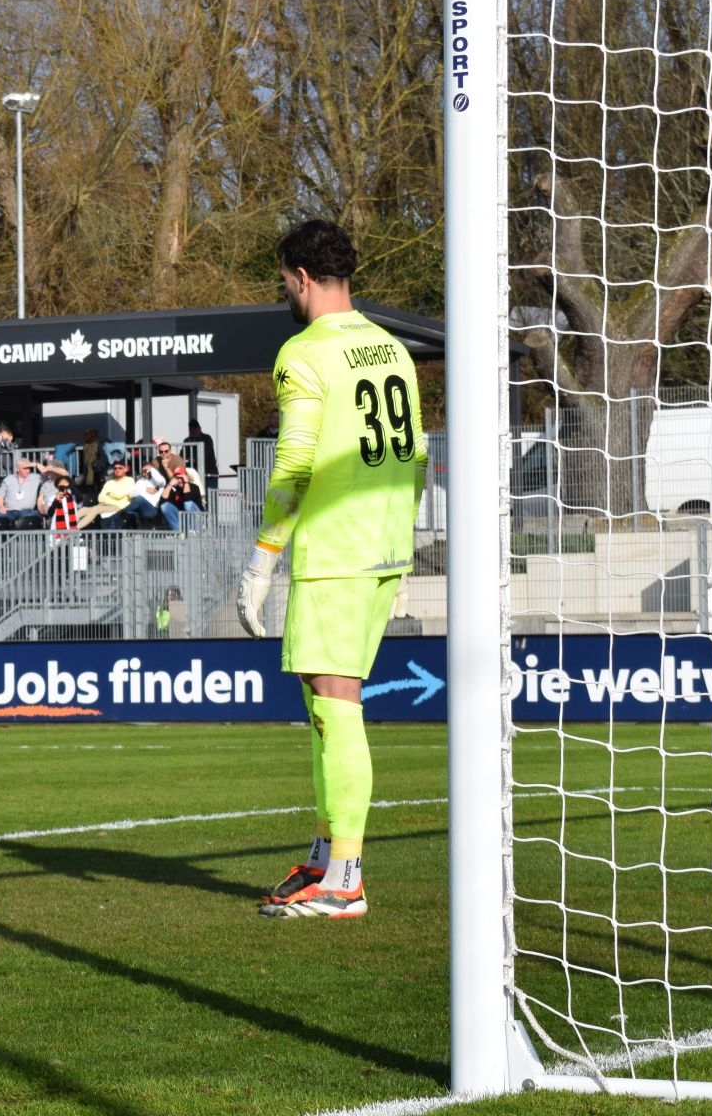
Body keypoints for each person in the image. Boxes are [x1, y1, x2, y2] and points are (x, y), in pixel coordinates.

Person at [238, 219, 427, 921]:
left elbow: (294, 464)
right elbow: (415, 456)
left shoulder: (303, 353)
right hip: (382, 543)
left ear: (302, 276)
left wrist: (262, 559)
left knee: (336, 704)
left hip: (336, 547)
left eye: (284, 280)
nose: (283, 291)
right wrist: (398, 540)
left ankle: (344, 875)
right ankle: (326, 853)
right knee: (327, 703)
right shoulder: (391, 349)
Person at [77, 458, 140, 528]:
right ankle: (68, 527)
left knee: (96, 509)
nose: (117, 470)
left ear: (125, 469)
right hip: (105, 505)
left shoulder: (129, 480)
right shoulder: (109, 482)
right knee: (83, 509)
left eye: (120, 468)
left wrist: (109, 495)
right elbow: (100, 498)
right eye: (115, 468)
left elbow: (119, 495)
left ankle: (75, 529)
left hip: (119, 507)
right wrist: (113, 496)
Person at [158, 454, 204, 532]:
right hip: (182, 518)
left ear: (186, 477)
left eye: (181, 477)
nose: (179, 480)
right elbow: (162, 501)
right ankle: (177, 532)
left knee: (188, 504)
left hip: (197, 519)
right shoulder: (173, 488)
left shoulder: (194, 487)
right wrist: (170, 485)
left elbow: (187, 498)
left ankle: (193, 531)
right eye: (177, 478)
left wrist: (186, 482)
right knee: (164, 506)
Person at [0, 458, 42, 526]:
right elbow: (0, 495)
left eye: (29, 468)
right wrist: (1, 507)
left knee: (34, 516)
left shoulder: (36, 478)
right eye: (25, 468)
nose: (28, 471)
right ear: (17, 469)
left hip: (27, 511)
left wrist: (36, 464)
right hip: (9, 511)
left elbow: (46, 472)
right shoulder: (9, 479)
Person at [187, 418, 220, 489]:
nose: (194, 432)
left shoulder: (207, 438)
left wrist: (193, 459)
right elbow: (183, 454)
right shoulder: (187, 441)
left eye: (195, 430)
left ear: (199, 428)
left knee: (211, 497)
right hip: (195, 475)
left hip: (209, 474)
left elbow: (205, 454)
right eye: (192, 431)